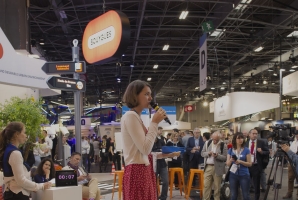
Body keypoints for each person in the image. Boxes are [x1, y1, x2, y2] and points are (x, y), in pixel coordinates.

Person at [121, 80, 167, 200]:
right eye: (146, 94)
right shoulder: (131, 116)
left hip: (143, 169)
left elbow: (143, 150)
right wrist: (154, 123)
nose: (150, 98)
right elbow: (145, 149)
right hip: (137, 171)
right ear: (135, 95)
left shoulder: (137, 117)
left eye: (150, 94)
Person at [0, 122, 51, 200]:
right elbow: (20, 180)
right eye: (24, 132)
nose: (26, 135)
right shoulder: (15, 153)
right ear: (16, 134)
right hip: (17, 194)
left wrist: (30, 187)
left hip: (13, 193)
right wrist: (41, 186)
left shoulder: (9, 150)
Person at [201, 131, 227, 200]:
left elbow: (225, 158)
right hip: (208, 167)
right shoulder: (207, 143)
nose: (215, 141)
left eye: (217, 140)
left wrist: (217, 156)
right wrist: (208, 153)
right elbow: (202, 153)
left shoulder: (223, 145)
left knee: (217, 187)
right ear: (211, 137)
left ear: (219, 138)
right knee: (206, 186)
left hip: (218, 168)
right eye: (213, 139)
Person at [226, 132, 252, 200]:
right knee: (234, 195)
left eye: (242, 138)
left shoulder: (246, 150)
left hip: (244, 174)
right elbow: (227, 163)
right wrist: (231, 160)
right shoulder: (230, 150)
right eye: (238, 138)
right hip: (233, 175)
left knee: (246, 195)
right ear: (235, 140)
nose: (240, 140)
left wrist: (240, 161)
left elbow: (250, 163)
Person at [245, 128, 269, 200]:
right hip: (247, 166)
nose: (255, 135)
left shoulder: (261, 142)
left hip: (256, 166)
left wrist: (261, 152)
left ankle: (256, 198)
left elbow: (267, 152)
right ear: (249, 134)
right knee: (246, 183)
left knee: (256, 184)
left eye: (256, 134)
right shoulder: (245, 143)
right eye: (253, 134)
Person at [282, 131, 298, 199]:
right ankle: (289, 192)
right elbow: (290, 151)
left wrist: (290, 152)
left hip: (296, 161)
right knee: (290, 178)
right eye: (296, 134)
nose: (297, 136)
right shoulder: (294, 143)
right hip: (291, 162)